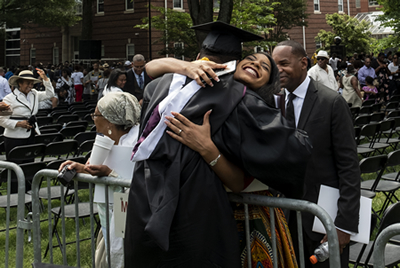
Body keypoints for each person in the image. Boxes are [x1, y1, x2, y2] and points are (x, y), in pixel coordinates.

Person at [125, 21, 311, 267]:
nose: (255, 65)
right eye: (251, 60)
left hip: (144, 200)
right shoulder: (239, 101)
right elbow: (296, 152)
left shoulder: (159, 88)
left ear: (198, 56)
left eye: (264, 66)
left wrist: (207, 148)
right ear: (233, 63)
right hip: (196, 211)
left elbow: (150, 68)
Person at [272, 40, 360, 268]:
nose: (277, 69)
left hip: (322, 222)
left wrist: (344, 225)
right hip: (285, 220)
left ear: (303, 63)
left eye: (284, 63)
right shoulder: (274, 104)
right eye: (274, 64)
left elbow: (349, 167)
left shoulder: (332, 103)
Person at [59, 92, 141, 268]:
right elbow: (100, 170)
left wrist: (110, 174)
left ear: (110, 120)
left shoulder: (137, 144)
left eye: (96, 115)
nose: (93, 119)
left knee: (120, 253)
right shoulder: (109, 140)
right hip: (109, 206)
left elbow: (140, 183)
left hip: (126, 210)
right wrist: (82, 168)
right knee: (109, 251)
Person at [0, 69, 54, 191]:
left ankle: (28, 193)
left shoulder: (34, 94)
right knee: (15, 168)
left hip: (30, 134)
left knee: (29, 165)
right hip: (14, 138)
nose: (30, 86)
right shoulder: (9, 98)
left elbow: (50, 94)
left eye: (32, 84)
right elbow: (1, 120)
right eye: (27, 83)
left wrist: (45, 79)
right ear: (19, 83)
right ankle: (14, 196)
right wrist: (18, 124)